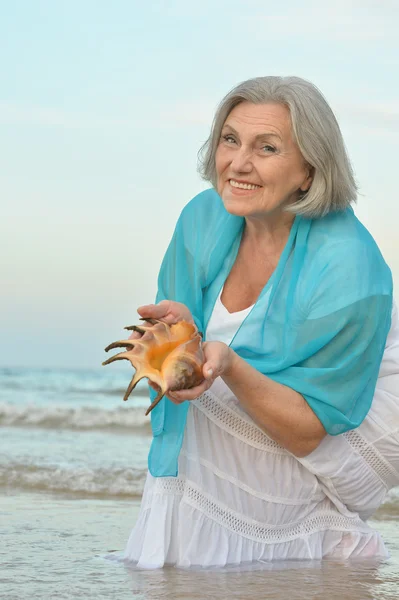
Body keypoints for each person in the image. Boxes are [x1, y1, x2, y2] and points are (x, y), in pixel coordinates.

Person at [123, 76, 397, 568]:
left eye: (266, 147)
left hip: (279, 507)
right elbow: (183, 364)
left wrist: (228, 363)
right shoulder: (203, 218)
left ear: (309, 171)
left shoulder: (350, 268)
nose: (238, 164)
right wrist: (182, 334)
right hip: (189, 478)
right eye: (231, 139)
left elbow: (309, 430)